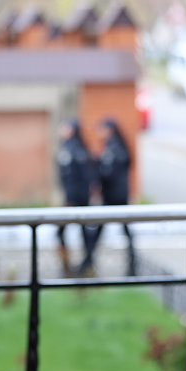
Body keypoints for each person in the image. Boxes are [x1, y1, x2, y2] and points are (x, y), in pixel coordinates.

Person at [55, 118, 98, 276]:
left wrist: (70, 199)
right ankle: (86, 264)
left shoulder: (70, 150)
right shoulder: (80, 148)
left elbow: (73, 177)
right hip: (81, 197)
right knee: (83, 231)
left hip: (74, 199)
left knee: (61, 232)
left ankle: (70, 266)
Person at [94, 118, 134, 276]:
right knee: (124, 230)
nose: (99, 133)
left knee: (100, 229)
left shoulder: (113, 148)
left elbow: (108, 173)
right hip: (118, 194)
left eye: (102, 129)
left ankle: (88, 262)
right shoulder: (117, 146)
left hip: (113, 196)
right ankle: (132, 264)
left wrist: (96, 169)